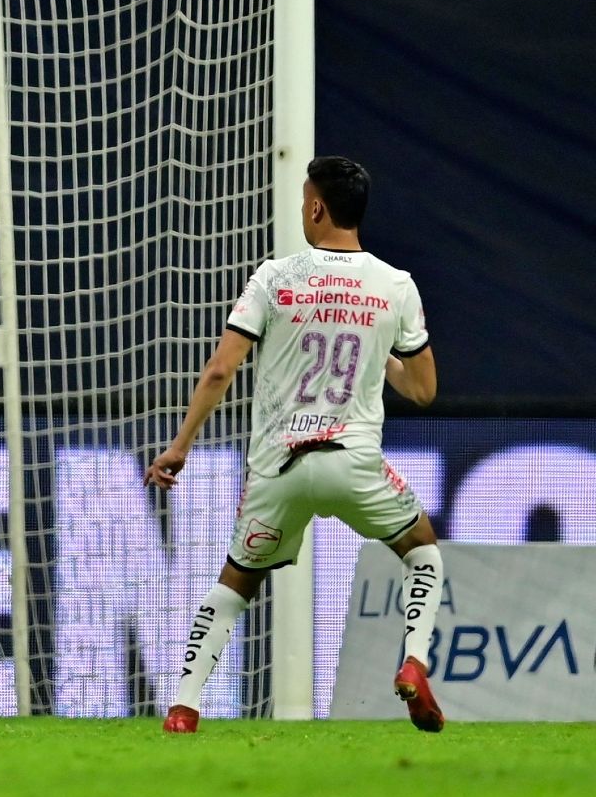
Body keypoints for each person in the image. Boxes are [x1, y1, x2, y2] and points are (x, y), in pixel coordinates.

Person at [148, 156, 442, 733]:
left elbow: (220, 371)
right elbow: (423, 390)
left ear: (316, 207)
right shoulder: (395, 284)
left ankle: (184, 706)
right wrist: (376, 346)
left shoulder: (276, 276)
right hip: (353, 463)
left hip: (279, 467)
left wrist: (180, 446)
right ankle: (413, 660)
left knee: (236, 582)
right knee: (423, 551)